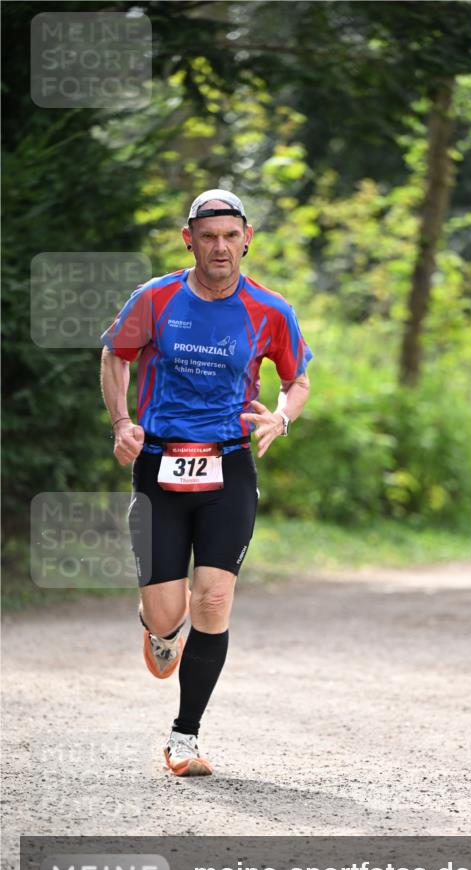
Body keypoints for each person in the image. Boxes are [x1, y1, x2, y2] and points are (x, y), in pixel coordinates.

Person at [100, 189, 312, 776]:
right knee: (171, 613)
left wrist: (282, 416)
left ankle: (184, 736)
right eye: (208, 236)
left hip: (229, 463)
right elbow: (115, 355)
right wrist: (122, 422)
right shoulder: (155, 298)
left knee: (214, 598)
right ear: (188, 239)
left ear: (247, 239)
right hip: (160, 464)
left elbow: (298, 380)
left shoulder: (270, 309)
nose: (220, 247)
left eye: (231, 236)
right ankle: (159, 630)